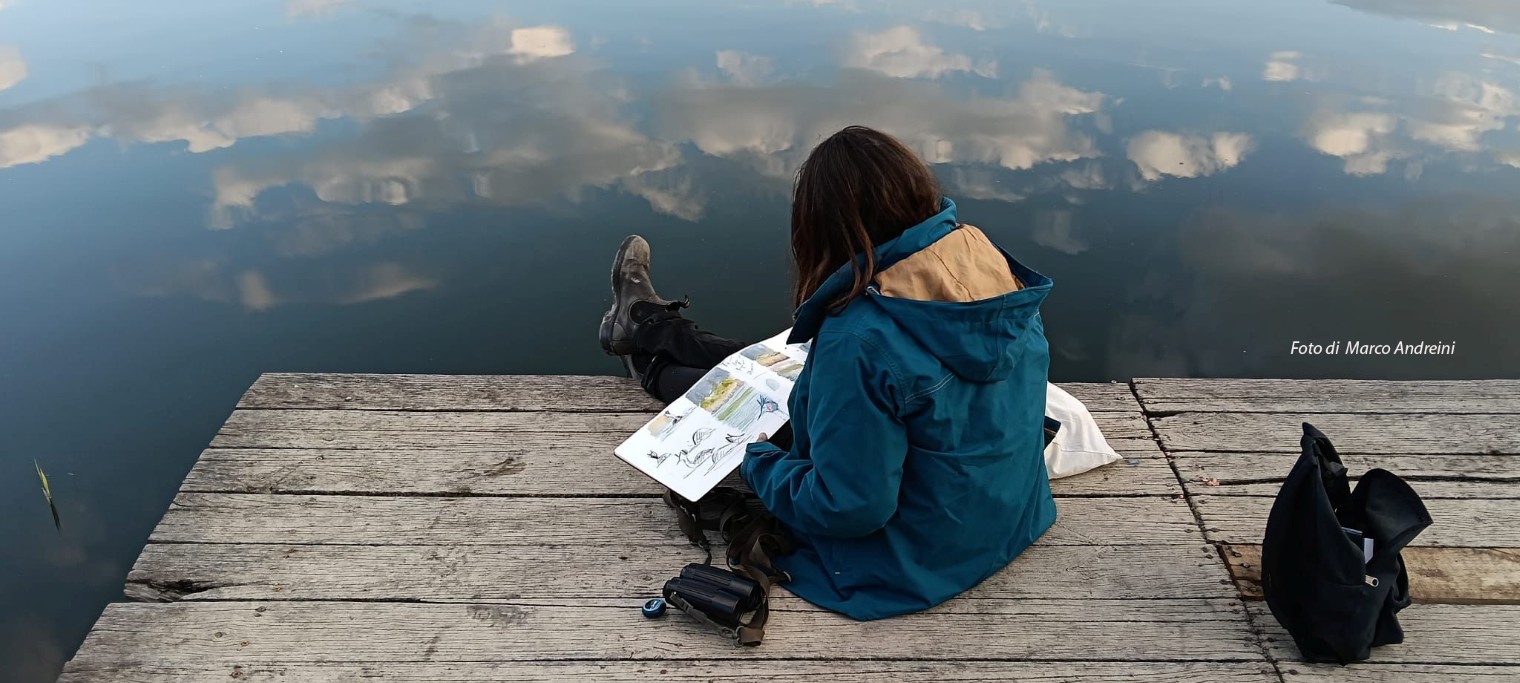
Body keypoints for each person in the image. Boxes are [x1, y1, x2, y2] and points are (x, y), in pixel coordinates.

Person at [598, 125, 1056, 621]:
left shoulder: (857, 338)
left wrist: (758, 463)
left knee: (744, 403)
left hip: (909, 563)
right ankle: (651, 325)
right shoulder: (985, 267)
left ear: (821, 227)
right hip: (1009, 518)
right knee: (773, 371)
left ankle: (645, 354)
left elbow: (850, 507)